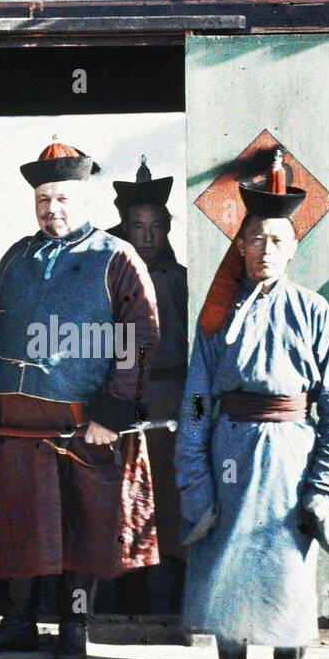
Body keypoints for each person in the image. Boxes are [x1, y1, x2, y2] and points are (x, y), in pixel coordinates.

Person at [0, 138, 161, 659]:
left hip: (82, 427)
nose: (53, 210)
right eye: (44, 199)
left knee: (83, 527)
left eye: (64, 199)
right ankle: (17, 623)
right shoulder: (16, 258)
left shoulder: (116, 257)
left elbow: (138, 336)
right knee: (16, 522)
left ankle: (73, 628)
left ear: (85, 199)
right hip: (15, 426)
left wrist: (114, 412)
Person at [175, 152, 329, 659]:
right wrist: (196, 480)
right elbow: (199, 399)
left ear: (293, 246)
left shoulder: (313, 311)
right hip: (229, 453)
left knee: (285, 568)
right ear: (242, 245)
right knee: (228, 563)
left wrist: (323, 490)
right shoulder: (217, 317)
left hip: (292, 457)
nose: (265, 250)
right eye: (255, 239)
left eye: (277, 239)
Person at [107, 156, 189, 614]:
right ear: (125, 229)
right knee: (124, 495)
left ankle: (168, 596)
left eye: (157, 226)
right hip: (125, 399)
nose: (150, 236)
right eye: (139, 227)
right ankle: (123, 594)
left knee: (170, 495)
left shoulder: (179, 280)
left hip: (174, 397)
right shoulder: (112, 278)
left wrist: (195, 414)